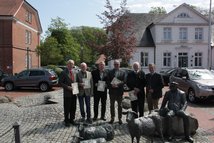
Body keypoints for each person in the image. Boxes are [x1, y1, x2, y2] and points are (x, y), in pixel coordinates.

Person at [59, 59, 77, 127]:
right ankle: (66, 121)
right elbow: (60, 83)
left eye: (72, 64)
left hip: (74, 92)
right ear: (67, 65)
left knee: (73, 107)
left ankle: (72, 120)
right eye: (70, 64)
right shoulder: (63, 72)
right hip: (67, 93)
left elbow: (76, 81)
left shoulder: (75, 72)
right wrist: (67, 87)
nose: (71, 65)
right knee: (67, 108)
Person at [107, 60, 125, 124]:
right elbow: (107, 81)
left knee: (120, 106)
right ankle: (112, 118)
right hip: (112, 91)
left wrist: (118, 85)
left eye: (117, 64)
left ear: (119, 65)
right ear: (113, 65)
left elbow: (124, 81)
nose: (116, 65)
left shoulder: (123, 72)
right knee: (112, 105)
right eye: (115, 64)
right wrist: (111, 85)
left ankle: (120, 118)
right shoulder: (110, 72)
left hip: (119, 92)